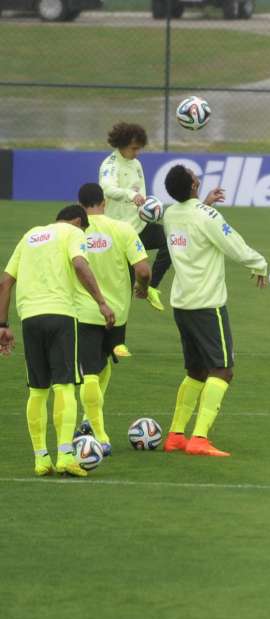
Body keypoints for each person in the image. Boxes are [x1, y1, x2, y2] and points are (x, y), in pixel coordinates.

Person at [161, 165, 268, 457]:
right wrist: (259, 264)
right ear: (193, 185)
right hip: (207, 304)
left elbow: (192, 220)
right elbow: (233, 244)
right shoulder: (207, 217)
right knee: (222, 370)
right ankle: (199, 438)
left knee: (196, 371)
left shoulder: (170, 215)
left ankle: (175, 435)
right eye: (194, 176)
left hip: (182, 303)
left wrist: (204, 203)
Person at [0, 205, 115, 477]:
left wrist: (2, 325)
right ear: (77, 221)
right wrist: (101, 302)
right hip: (61, 315)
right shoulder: (72, 233)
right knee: (64, 386)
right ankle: (65, 456)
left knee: (37, 390)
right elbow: (80, 264)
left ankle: (41, 459)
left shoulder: (30, 236)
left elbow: (5, 282)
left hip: (30, 318)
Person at [72, 183, 152, 455]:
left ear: (79, 205)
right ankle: (89, 420)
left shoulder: (74, 231)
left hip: (84, 311)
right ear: (104, 202)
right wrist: (142, 288)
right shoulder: (123, 229)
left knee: (90, 372)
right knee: (104, 363)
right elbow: (143, 270)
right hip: (117, 314)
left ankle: (99, 435)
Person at [99, 122, 169, 321]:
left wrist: (149, 210)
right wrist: (131, 195)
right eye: (134, 148)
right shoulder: (110, 165)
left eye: (139, 148)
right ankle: (113, 332)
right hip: (120, 233)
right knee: (123, 294)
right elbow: (107, 189)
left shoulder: (136, 164)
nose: (137, 153)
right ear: (121, 144)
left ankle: (151, 286)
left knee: (171, 240)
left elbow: (141, 195)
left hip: (140, 227)